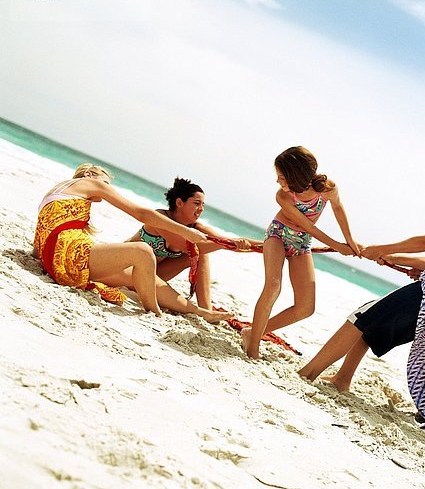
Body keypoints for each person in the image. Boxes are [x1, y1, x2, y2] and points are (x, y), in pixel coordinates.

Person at [299, 177, 425, 451]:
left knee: (360, 318)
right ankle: (342, 379)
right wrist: (394, 258)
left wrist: (383, 249)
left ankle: (308, 373)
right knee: (374, 324)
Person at [34, 163, 229, 322]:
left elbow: (42, 239)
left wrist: (38, 257)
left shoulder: (55, 193)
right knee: (142, 251)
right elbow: (142, 214)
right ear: (88, 174)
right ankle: (154, 311)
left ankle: (199, 311)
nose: (104, 191)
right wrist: (185, 231)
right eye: (106, 183)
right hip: (71, 256)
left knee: (135, 276)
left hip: (54, 259)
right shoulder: (89, 183)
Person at [242, 146, 360, 359]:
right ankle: (253, 348)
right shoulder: (283, 197)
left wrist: (349, 240)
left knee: (305, 307)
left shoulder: (327, 188)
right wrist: (338, 246)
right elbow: (309, 227)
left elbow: (338, 208)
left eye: (281, 177)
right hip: (278, 234)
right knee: (273, 285)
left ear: (296, 175)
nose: (278, 182)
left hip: (301, 243)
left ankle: (252, 332)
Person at [126, 177, 258, 309]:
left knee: (202, 255)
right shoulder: (160, 218)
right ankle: (205, 311)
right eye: (197, 203)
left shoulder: (195, 227)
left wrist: (265, 246)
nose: (201, 209)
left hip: (151, 277)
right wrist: (226, 244)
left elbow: (225, 241)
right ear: (179, 203)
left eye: (203, 205)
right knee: (200, 251)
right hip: (125, 273)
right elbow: (188, 246)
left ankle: (206, 309)